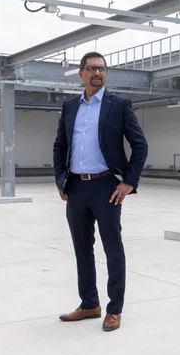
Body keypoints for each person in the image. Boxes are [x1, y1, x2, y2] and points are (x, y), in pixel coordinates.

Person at [52, 52, 149, 332]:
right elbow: (60, 145)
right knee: (82, 248)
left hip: (107, 187)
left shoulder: (118, 105)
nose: (98, 73)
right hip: (76, 187)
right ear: (81, 73)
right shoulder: (70, 106)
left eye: (102, 69)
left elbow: (140, 145)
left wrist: (129, 182)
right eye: (92, 68)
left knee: (112, 249)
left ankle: (114, 309)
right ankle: (89, 304)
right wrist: (61, 180)